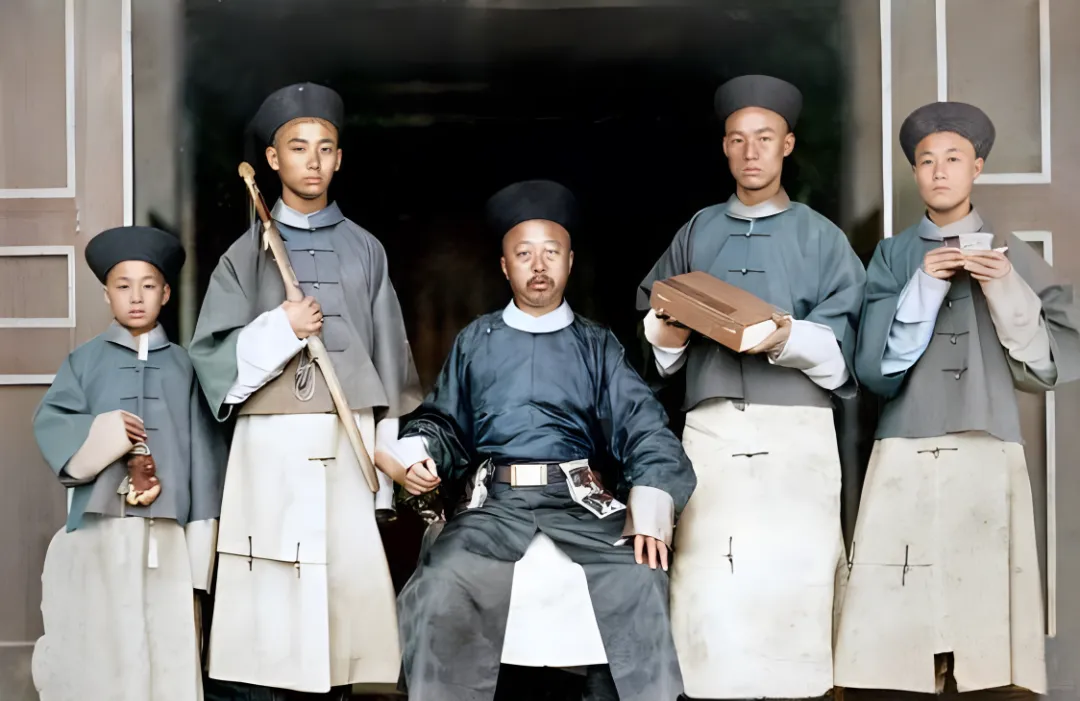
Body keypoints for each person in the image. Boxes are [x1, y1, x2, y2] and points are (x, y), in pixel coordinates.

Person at [390, 179, 696, 701]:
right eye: (524, 254)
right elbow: (444, 420)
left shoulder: (597, 345)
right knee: (442, 579)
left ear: (570, 262)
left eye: (551, 252)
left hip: (578, 502)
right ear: (504, 266)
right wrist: (419, 453)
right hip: (494, 505)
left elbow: (644, 427)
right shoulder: (476, 341)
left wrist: (651, 505)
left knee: (638, 575)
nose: (538, 266)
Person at [833, 101, 1080, 698]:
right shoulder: (892, 255)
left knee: (982, 617)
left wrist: (1003, 283)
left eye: (953, 159)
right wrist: (921, 286)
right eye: (926, 161)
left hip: (987, 439)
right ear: (915, 173)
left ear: (978, 167)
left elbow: (1047, 360)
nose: (940, 171)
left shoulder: (1011, 250)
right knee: (898, 629)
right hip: (905, 443)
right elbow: (874, 366)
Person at [188, 83, 422, 699]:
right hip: (271, 442)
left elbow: (390, 366)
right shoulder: (244, 256)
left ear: (339, 159)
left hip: (347, 441)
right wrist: (280, 328)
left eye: (324, 148)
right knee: (273, 604)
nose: (312, 161)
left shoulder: (366, 250)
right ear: (273, 159)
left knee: (340, 601)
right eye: (297, 147)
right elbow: (212, 360)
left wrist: (386, 471)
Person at [637, 74, 867, 700]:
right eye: (738, 139)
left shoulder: (822, 237)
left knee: (794, 586)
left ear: (787, 144)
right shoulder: (696, 230)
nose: (751, 151)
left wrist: (784, 336)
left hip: (796, 436)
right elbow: (659, 342)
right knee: (711, 589)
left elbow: (848, 350)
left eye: (765, 138)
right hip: (712, 435)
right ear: (724, 147)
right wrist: (670, 330)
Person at [31, 226, 225, 701]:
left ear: (165, 293)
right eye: (123, 286)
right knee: (100, 644)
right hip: (100, 531)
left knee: (166, 644)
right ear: (106, 294)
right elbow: (53, 424)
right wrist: (106, 433)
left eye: (148, 285)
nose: (136, 297)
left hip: (167, 536)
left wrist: (201, 548)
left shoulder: (186, 368)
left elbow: (205, 457)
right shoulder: (83, 362)